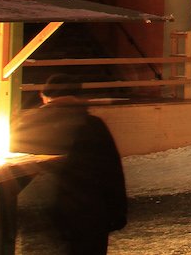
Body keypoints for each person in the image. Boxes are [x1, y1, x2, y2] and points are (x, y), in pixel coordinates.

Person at [11, 73, 127, 255]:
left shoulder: (27, 126)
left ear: (43, 95)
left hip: (41, 219)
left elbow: (15, 170)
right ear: (78, 96)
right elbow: (111, 172)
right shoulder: (92, 126)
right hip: (88, 215)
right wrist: (117, 213)